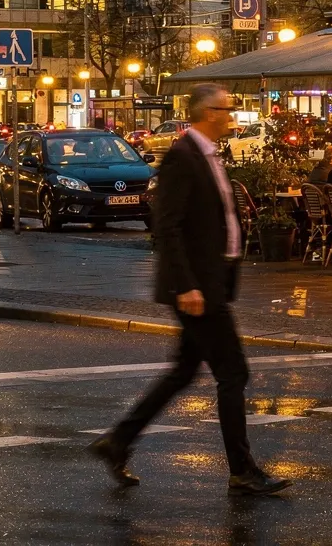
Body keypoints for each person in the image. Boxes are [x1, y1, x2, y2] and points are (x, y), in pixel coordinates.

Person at [90, 84, 289, 496]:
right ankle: (243, 470)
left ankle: (118, 441)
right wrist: (186, 285)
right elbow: (169, 224)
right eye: (224, 109)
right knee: (233, 373)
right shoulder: (183, 156)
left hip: (210, 283)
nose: (231, 115)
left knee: (183, 371)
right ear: (205, 113)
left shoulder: (211, 155)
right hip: (197, 288)